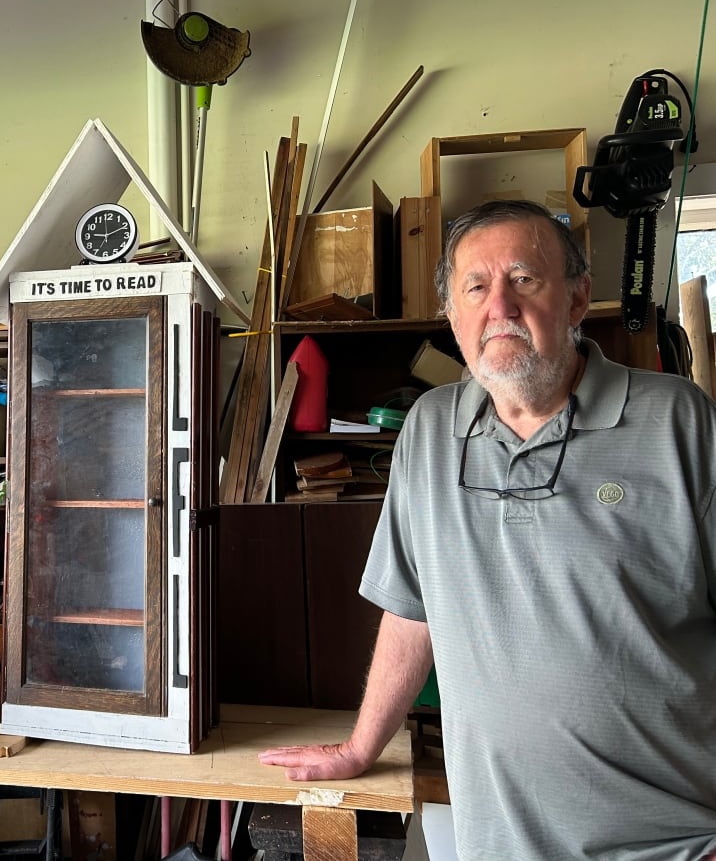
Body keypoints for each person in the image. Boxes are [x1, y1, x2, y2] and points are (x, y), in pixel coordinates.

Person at [259, 200, 716, 860]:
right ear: (452, 315)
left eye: (524, 279)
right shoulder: (427, 431)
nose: (499, 305)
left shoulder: (680, 423)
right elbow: (415, 609)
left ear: (578, 298)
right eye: (476, 286)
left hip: (672, 844)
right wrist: (363, 745)